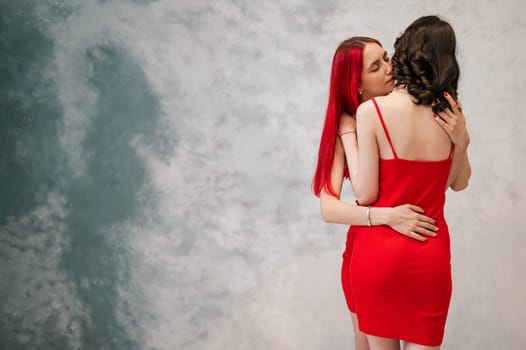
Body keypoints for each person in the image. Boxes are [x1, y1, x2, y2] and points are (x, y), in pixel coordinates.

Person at [312, 36, 469, 350]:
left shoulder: (407, 110)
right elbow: (330, 208)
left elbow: (450, 181)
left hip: (396, 252)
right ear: (357, 84)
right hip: (368, 246)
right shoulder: (351, 123)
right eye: (376, 66)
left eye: (386, 57)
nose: (390, 67)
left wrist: (461, 141)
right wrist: (387, 215)